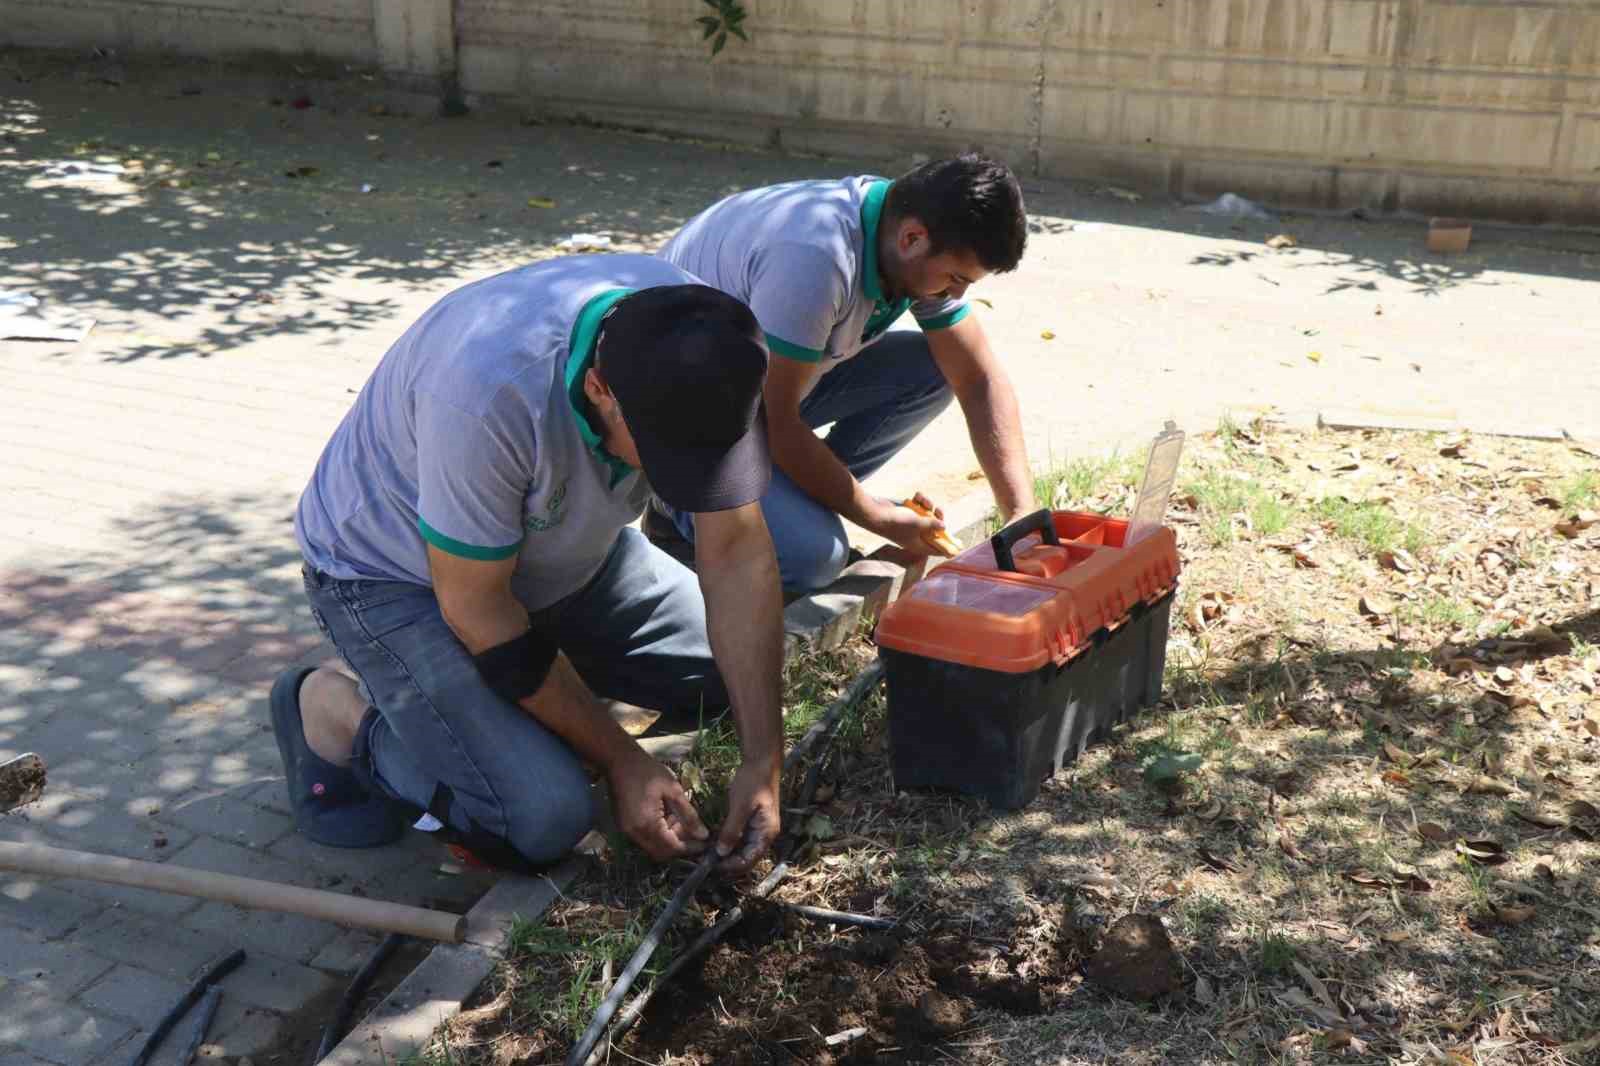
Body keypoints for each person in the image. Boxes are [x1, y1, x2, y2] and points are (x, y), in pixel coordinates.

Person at [270, 256, 785, 876]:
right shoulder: (488, 392)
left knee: (729, 676)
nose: (680, 479)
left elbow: (735, 550)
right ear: (600, 391)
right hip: (398, 580)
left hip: (560, 556)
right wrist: (622, 759)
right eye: (668, 457)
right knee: (540, 818)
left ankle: (514, 699)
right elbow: (479, 611)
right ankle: (333, 709)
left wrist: (764, 759)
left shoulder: (718, 345)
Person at [650, 153, 1035, 591]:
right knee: (815, 558)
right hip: (684, 424)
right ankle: (680, 513)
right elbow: (772, 420)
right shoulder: (816, 258)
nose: (957, 292)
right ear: (912, 237)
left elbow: (977, 379)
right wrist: (876, 514)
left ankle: (788, 503)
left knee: (933, 369)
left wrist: (1022, 514)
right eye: (954, 277)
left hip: (755, 392)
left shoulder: (905, 231)